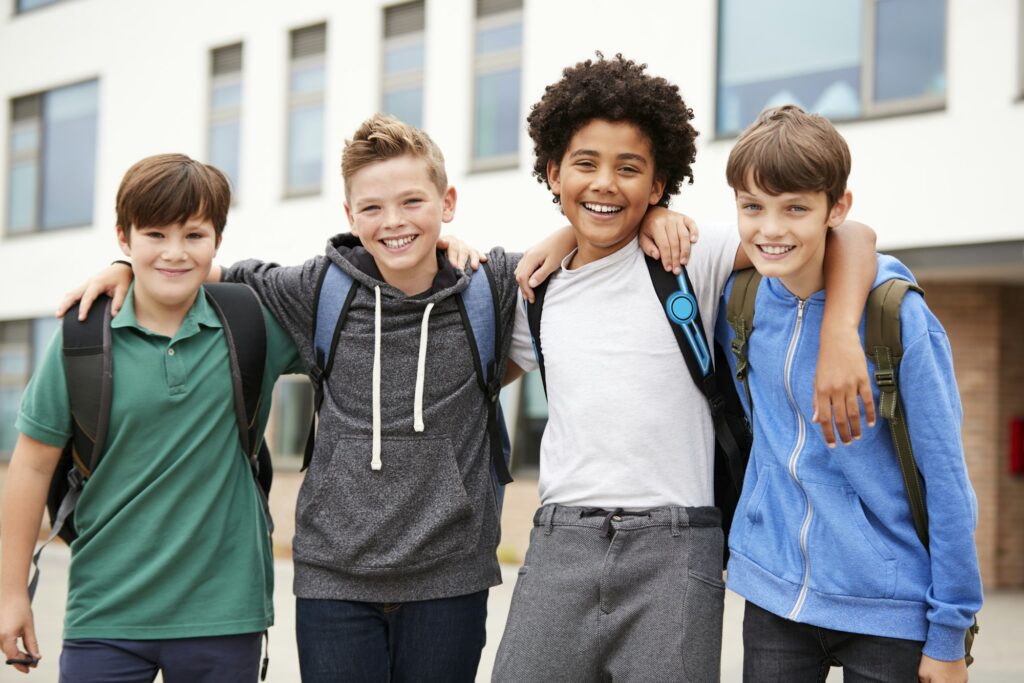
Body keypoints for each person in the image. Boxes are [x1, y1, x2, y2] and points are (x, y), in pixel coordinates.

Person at [59, 115, 697, 682]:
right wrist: (120, 270)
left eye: (413, 201)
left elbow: (586, 242)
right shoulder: (318, 288)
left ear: (447, 202)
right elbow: (202, 267)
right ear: (349, 215)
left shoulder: (493, 284)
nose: (394, 222)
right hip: (335, 578)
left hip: (450, 577)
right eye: (372, 208)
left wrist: (655, 216)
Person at [493, 55, 879, 682]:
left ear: (658, 184)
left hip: (676, 545)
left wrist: (840, 333)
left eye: (630, 169)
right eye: (586, 164)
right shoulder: (534, 290)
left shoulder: (687, 260)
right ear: (553, 170)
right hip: (559, 540)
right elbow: (480, 375)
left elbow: (852, 234)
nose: (605, 184)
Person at [0, 154, 305, 682]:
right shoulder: (82, 338)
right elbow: (29, 467)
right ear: (124, 237)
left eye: (193, 235)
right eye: (155, 234)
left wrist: (446, 250)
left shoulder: (250, 323)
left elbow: (355, 314)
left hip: (226, 613)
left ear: (217, 241)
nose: (174, 252)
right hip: (105, 611)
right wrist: (9, 595)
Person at [715, 105, 982, 683]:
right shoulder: (741, 304)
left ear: (837, 208)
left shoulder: (896, 318)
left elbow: (948, 481)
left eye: (796, 208)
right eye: (752, 207)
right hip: (775, 594)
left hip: (889, 607)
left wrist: (949, 632)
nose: (771, 229)